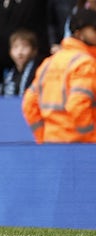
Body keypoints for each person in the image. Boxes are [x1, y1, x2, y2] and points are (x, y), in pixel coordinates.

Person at [22, 7, 96, 143]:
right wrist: (91, 139)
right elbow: (78, 105)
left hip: (52, 143)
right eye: (94, 30)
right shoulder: (86, 63)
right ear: (79, 34)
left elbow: (29, 104)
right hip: (80, 148)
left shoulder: (49, 62)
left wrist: (42, 137)